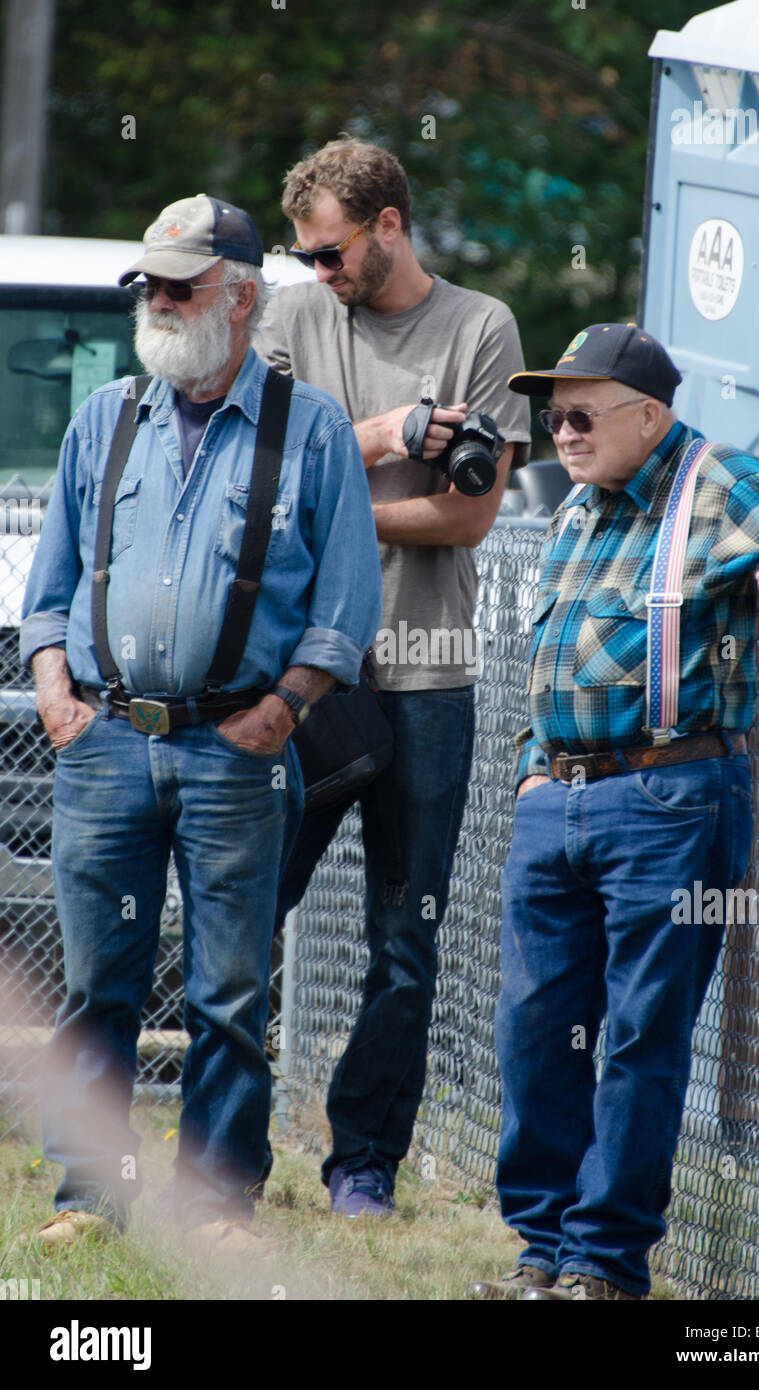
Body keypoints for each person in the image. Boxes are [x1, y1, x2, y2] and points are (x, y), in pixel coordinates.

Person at [19, 193, 382, 1251]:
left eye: (180, 285)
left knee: (229, 989)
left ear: (241, 297)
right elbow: (51, 587)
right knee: (99, 986)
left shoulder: (307, 427)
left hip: (236, 750)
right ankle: (87, 1200)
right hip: (107, 744)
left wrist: (285, 708)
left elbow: (346, 606)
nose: (159, 301)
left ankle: (218, 1205)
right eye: (150, 285)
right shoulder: (106, 418)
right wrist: (55, 690)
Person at [467, 322, 759, 1300]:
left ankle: (604, 1262)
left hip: (671, 795)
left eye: (581, 411)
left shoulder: (715, 478)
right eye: (551, 414)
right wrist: (530, 771)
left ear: (649, 412)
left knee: (641, 1033)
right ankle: (541, 1250)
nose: (561, 429)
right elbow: (545, 662)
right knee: (534, 1028)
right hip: (558, 797)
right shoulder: (574, 511)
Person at [255, 138, 532, 1216]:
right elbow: (261, 474)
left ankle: (362, 1162)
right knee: (244, 904)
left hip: (425, 679)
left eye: (330, 255)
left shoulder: (479, 328)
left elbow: (466, 514)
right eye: (303, 257)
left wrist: (338, 514)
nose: (317, 276)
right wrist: (380, 437)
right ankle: (223, 1152)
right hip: (303, 677)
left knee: (404, 940)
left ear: (388, 226)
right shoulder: (287, 318)